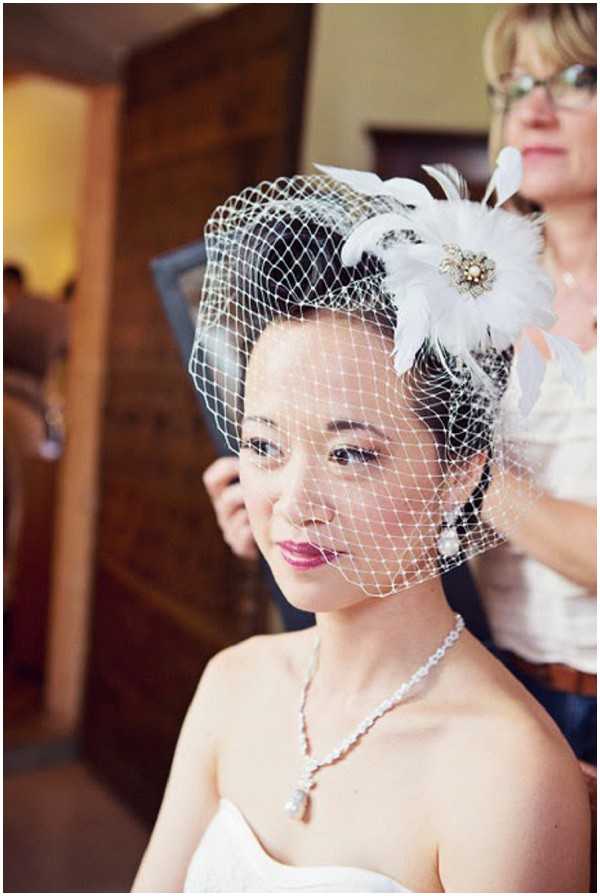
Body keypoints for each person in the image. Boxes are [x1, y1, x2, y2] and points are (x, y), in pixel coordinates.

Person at [133, 155, 590, 892]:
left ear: (459, 477)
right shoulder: (232, 683)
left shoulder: (507, 770)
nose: (293, 498)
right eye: (263, 446)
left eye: (350, 453)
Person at [473, 2, 596, 766]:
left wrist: (464, 476)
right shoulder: (470, 300)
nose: (537, 109)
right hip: (491, 696)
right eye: (517, 86)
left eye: (578, 78)